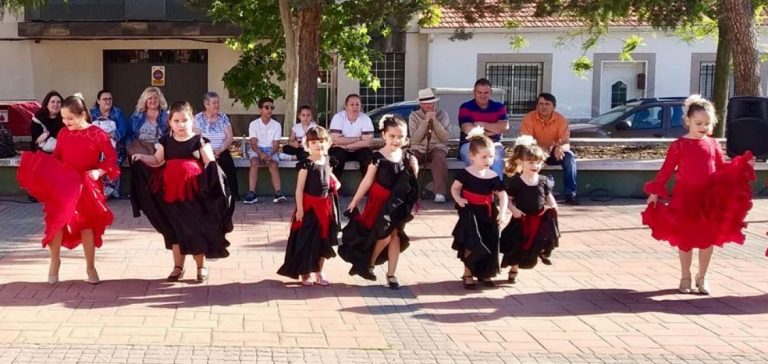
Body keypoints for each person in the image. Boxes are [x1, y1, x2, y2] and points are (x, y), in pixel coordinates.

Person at [642, 95, 755, 295]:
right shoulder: (679, 145)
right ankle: (685, 276)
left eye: (707, 124)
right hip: (685, 198)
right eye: (699, 123)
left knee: (707, 238)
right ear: (687, 121)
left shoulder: (712, 144)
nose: (703, 127)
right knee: (685, 238)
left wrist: (741, 168)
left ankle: (702, 276)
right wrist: (655, 191)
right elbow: (666, 170)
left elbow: (721, 170)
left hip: (709, 199)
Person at [17, 93, 120, 285]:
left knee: (86, 226)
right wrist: (41, 167)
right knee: (57, 223)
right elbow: (57, 156)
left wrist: (99, 171)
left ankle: (90, 266)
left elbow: (113, 160)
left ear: (82, 115)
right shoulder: (64, 133)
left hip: (88, 184)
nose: (65, 122)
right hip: (64, 184)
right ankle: (54, 262)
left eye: (69, 118)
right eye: (63, 118)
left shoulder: (97, 133)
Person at [131, 101, 232, 283]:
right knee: (174, 229)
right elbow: (156, 160)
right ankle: (178, 267)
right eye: (176, 121)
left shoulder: (199, 141)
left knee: (195, 228)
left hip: (194, 194)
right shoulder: (166, 141)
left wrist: (211, 170)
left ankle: (201, 266)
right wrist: (141, 158)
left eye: (184, 120)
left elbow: (209, 163)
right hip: (170, 194)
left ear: (192, 120)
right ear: (170, 122)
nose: (180, 124)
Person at [338, 115, 419, 290]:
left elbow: (410, 182)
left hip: (397, 203)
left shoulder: (407, 157)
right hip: (379, 203)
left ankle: (391, 274)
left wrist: (415, 168)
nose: (396, 140)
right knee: (384, 235)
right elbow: (367, 180)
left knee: (395, 235)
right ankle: (369, 263)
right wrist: (355, 201)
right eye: (392, 136)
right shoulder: (377, 157)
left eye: (400, 136)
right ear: (384, 135)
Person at [277, 126, 341, 286]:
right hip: (309, 207)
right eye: (313, 142)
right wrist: (300, 209)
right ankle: (304, 272)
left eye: (321, 141)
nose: (318, 145)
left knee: (322, 239)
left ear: (327, 142)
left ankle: (319, 271)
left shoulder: (327, 160)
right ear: (307, 144)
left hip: (325, 207)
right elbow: (299, 189)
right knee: (306, 239)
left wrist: (335, 181)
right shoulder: (306, 165)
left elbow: (328, 174)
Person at [451, 127, 508, 289]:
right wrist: (458, 198)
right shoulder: (465, 174)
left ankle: (486, 273)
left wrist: (503, 212)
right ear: (472, 156)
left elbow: (502, 195)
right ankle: (468, 273)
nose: (488, 160)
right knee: (471, 242)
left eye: (491, 156)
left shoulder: (493, 176)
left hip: (488, 213)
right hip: (470, 213)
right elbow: (454, 188)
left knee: (489, 242)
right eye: (484, 157)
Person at [499, 136, 560, 284]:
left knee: (545, 237)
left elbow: (547, 195)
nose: (535, 165)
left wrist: (553, 206)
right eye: (531, 162)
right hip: (522, 219)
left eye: (538, 162)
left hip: (538, 218)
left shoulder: (543, 180)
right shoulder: (517, 182)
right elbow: (508, 200)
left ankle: (544, 251)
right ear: (521, 162)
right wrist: (513, 210)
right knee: (517, 244)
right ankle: (514, 268)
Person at [520, 93, 579, 205]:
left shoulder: (561, 119)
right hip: (534, 152)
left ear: (554, 106)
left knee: (569, 156)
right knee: (523, 156)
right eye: (541, 104)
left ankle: (570, 194)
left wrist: (560, 148)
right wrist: (539, 153)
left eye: (547, 104)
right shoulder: (529, 118)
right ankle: (526, 193)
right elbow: (526, 142)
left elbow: (566, 142)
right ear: (537, 106)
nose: (544, 107)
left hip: (553, 153)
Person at [458, 79, 509, 179]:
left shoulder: (499, 107)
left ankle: (497, 190)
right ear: (474, 92)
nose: (483, 95)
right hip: (470, 144)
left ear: (491, 93)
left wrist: (481, 124)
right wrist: (494, 129)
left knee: (497, 159)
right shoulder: (465, 107)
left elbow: (504, 127)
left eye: (486, 92)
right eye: (479, 92)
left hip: (494, 144)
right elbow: (468, 129)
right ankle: (479, 190)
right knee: (476, 159)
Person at [193, 91, 239, 200]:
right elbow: (196, 138)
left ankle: (232, 195)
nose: (217, 105)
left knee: (229, 167)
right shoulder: (198, 118)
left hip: (221, 150)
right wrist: (208, 151)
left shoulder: (223, 117)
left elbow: (229, 137)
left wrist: (220, 150)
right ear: (206, 104)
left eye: (218, 102)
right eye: (214, 103)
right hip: (204, 151)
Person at [409, 88, 451, 203]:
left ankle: (440, 192)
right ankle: (408, 190)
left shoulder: (443, 115)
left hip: (438, 147)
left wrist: (435, 121)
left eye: (432, 103)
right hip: (419, 148)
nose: (429, 106)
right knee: (410, 159)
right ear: (421, 104)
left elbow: (445, 137)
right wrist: (425, 121)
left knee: (439, 159)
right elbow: (415, 139)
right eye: (426, 103)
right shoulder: (414, 116)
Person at [242, 97, 286, 204]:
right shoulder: (254, 124)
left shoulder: (276, 125)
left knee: (273, 164)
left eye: (272, 107)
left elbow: (276, 145)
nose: (269, 110)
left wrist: (269, 155)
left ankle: (278, 193)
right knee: (254, 162)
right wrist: (260, 153)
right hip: (258, 149)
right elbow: (253, 143)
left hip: (271, 150)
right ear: (260, 110)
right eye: (266, 107)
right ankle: (252, 193)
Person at [90, 89, 127, 199]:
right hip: (96, 146)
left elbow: (123, 129)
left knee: (114, 157)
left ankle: (110, 189)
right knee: (95, 158)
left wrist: (111, 135)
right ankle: (98, 189)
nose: (108, 101)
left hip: (115, 145)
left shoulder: (118, 113)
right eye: (104, 99)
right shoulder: (91, 113)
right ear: (98, 100)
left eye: (110, 99)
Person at [328, 94, 374, 182]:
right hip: (340, 149)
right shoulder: (338, 117)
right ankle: (333, 190)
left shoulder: (365, 119)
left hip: (358, 149)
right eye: (352, 104)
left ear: (360, 106)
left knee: (367, 157)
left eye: (357, 104)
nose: (355, 107)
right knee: (337, 157)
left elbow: (367, 142)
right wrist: (358, 139)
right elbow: (336, 140)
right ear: (346, 106)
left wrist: (345, 145)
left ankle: (367, 189)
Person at [126, 86, 169, 156]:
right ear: (145, 100)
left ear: (160, 100)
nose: (153, 100)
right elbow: (129, 134)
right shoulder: (136, 116)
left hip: (159, 152)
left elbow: (169, 136)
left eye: (156, 98)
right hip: (139, 150)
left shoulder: (166, 116)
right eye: (150, 98)